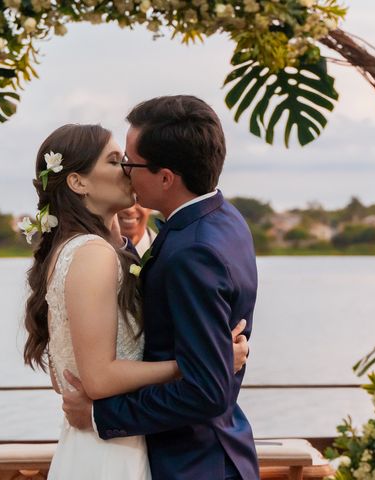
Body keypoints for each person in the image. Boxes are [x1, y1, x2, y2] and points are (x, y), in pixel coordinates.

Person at [21, 123, 249, 480]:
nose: (127, 169)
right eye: (115, 161)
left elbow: (63, 373)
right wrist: (205, 362)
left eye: (127, 160)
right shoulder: (92, 254)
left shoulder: (86, 250)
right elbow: (96, 379)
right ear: (78, 182)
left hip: (104, 444)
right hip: (111, 452)